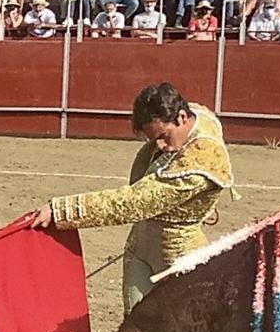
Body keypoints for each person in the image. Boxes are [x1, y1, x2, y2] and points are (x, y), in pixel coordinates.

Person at [30, 82, 236, 314]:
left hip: (179, 260)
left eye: (163, 136)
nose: (159, 146)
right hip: (139, 247)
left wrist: (61, 210)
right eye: (152, 139)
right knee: (135, 330)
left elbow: (133, 202)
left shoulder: (204, 159)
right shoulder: (196, 115)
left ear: (181, 118)